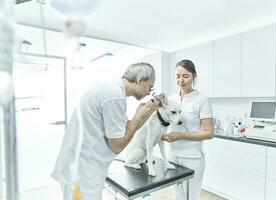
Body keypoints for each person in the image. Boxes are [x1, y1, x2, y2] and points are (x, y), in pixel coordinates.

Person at [52, 62, 164, 200]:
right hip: (83, 174)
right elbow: (117, 146)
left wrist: (151, 108)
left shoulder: (113, 89)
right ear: (140, 81)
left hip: (82, 169)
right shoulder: (114, 95)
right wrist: (137, 116)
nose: (149, 92)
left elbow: (128, 127)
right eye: (150, 86)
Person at [162, 59, 214, 200]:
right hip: (173, 156)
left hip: (193, 158)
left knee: (192, 197)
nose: (181, 80)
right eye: (178, 76)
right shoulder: (171, 99)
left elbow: (209, 133)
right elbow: (165, 122)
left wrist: (181, 135)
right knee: (177, 196)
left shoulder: (202, 100)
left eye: (186, 76)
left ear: (194, 76)